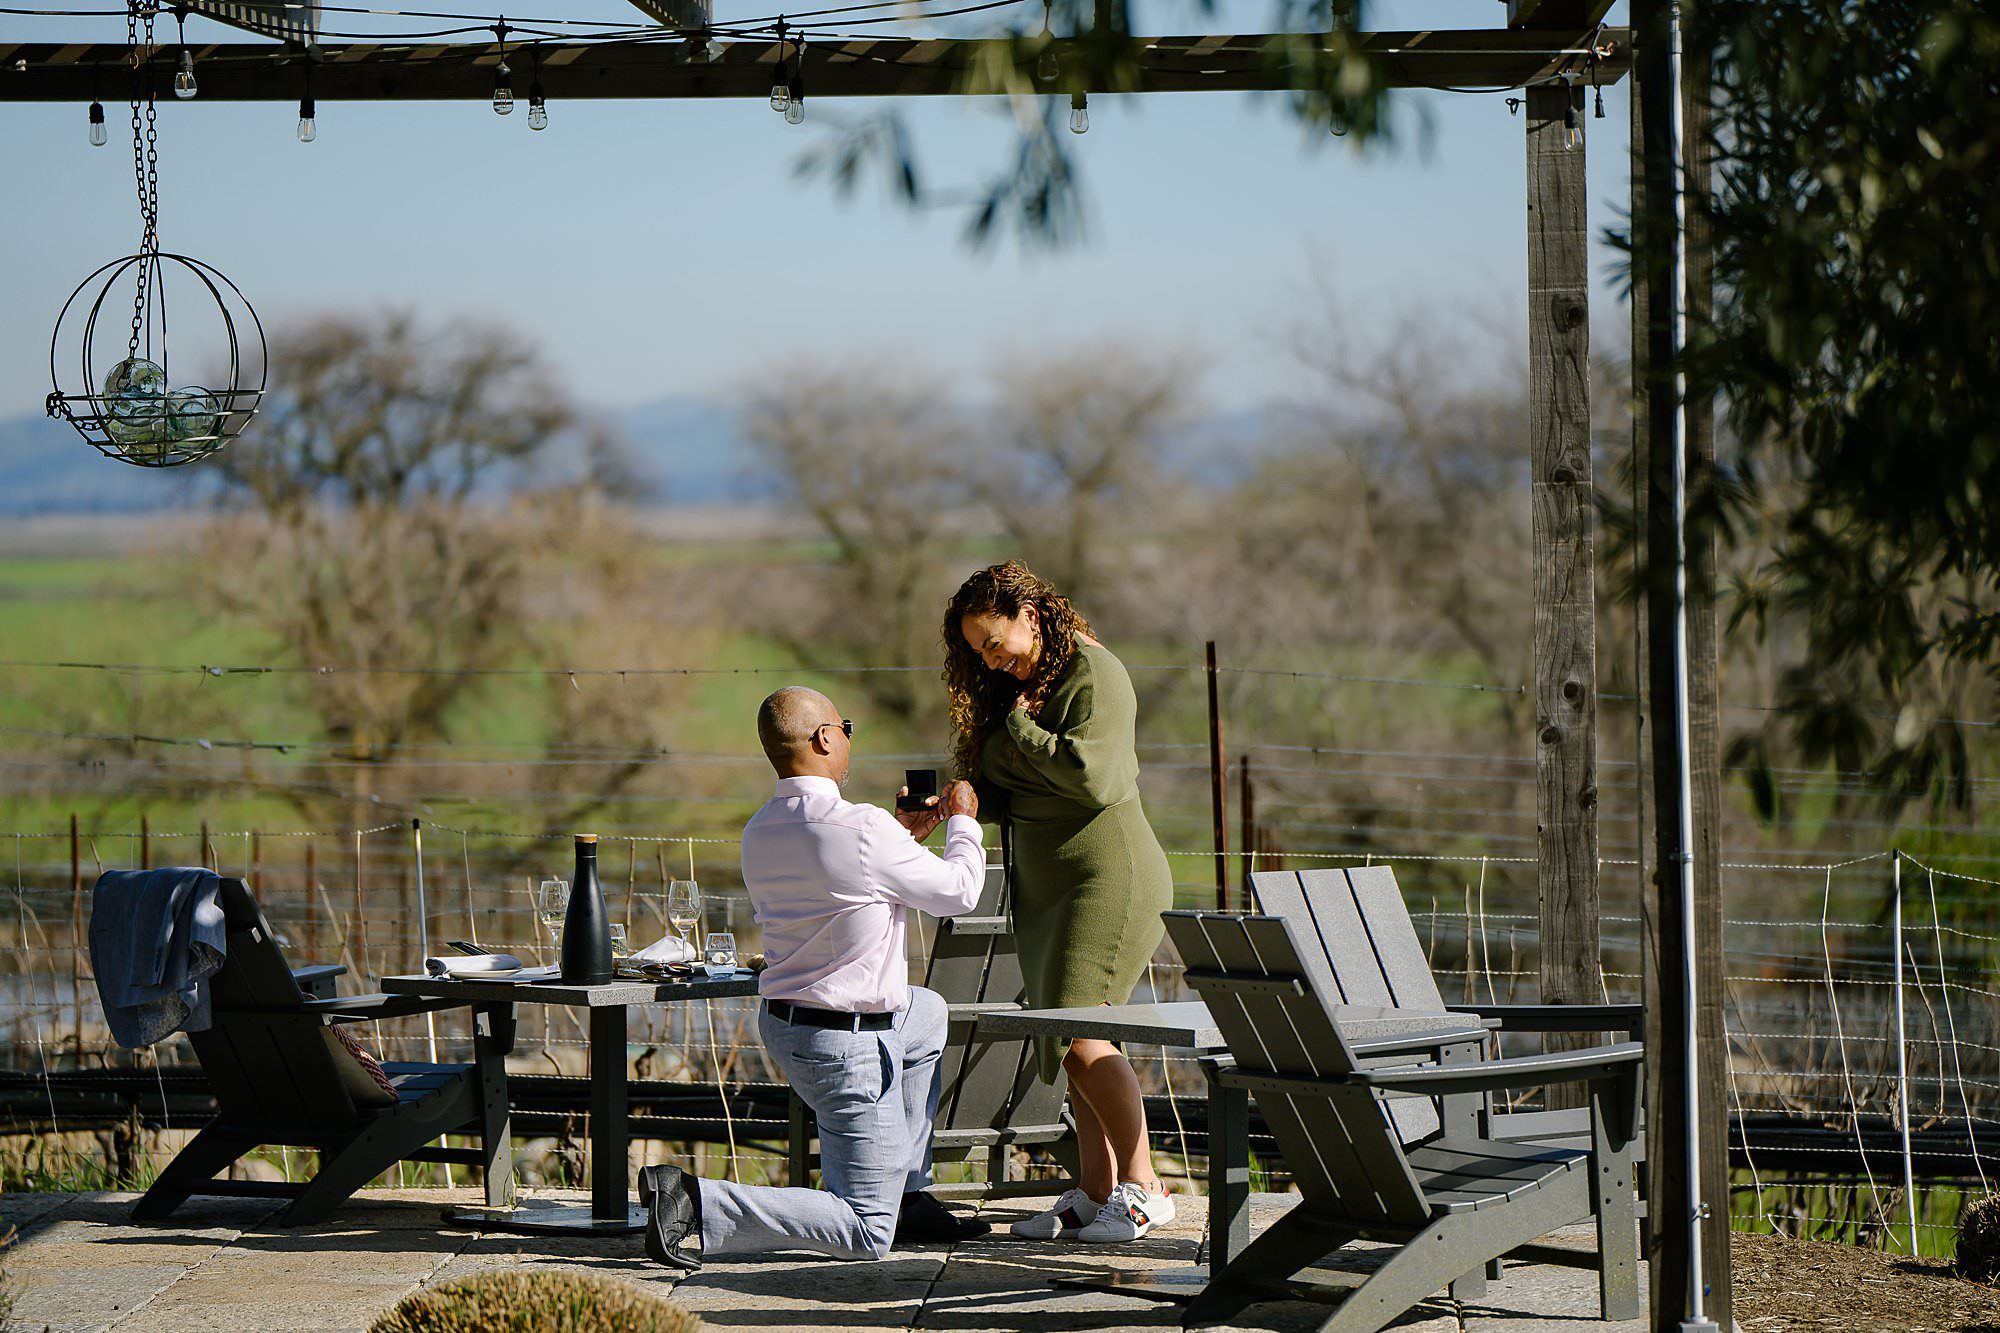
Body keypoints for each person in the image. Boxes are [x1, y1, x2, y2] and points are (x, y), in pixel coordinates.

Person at [640, 686, 991, 1272]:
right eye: (845, 728)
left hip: (789, 1024)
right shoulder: (864, 829)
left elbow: (844, 881)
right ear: (825, 738)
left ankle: (905, 1193)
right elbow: (959, 892)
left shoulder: (760, 829)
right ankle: (694, 1202)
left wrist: (903, 837)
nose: (849, 738)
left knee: (927, 1013)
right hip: (845, 1043)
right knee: (866, 1231)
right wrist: (963, 823)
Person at [940, 560, 1177, 1243]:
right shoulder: (1022, 686)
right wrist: (958, 805)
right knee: (1064, 1035)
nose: (990, 661)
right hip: (1046, 890)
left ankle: (1145, 1187)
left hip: (1106, 879)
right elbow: (1017, 786)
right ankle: (1097, 1191)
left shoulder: (1094, 674)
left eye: (994, 643)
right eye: (978, 652)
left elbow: (1092, 778)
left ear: (1031, 614)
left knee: (1078, 1032)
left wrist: (1021, 729)